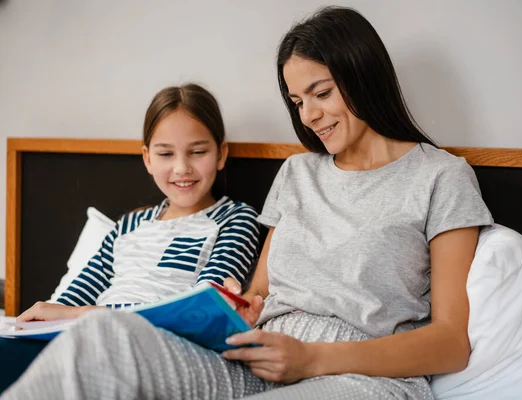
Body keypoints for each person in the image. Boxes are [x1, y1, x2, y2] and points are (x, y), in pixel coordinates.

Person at [1, 6, 493, 400]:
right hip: (259, 356)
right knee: (103, 344)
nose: (310, 115)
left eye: (320, 93)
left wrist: (312, 358)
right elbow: (257, 298)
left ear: (363, 75)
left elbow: (451, 342)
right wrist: (231, 310)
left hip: (361, 374)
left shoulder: (440, 177)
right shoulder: (298, 173)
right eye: (298, 101)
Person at [0, 83, 260, 393]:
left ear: (221, 153)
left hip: (154, 346)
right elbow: (76, 294)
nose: (181, 167)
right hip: (91, 333)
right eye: (166, 153)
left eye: (198, 151)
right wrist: (43, 319)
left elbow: (197, 313)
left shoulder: (236, 219)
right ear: (148, 159)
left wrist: (82, 315)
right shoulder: (129, 224)